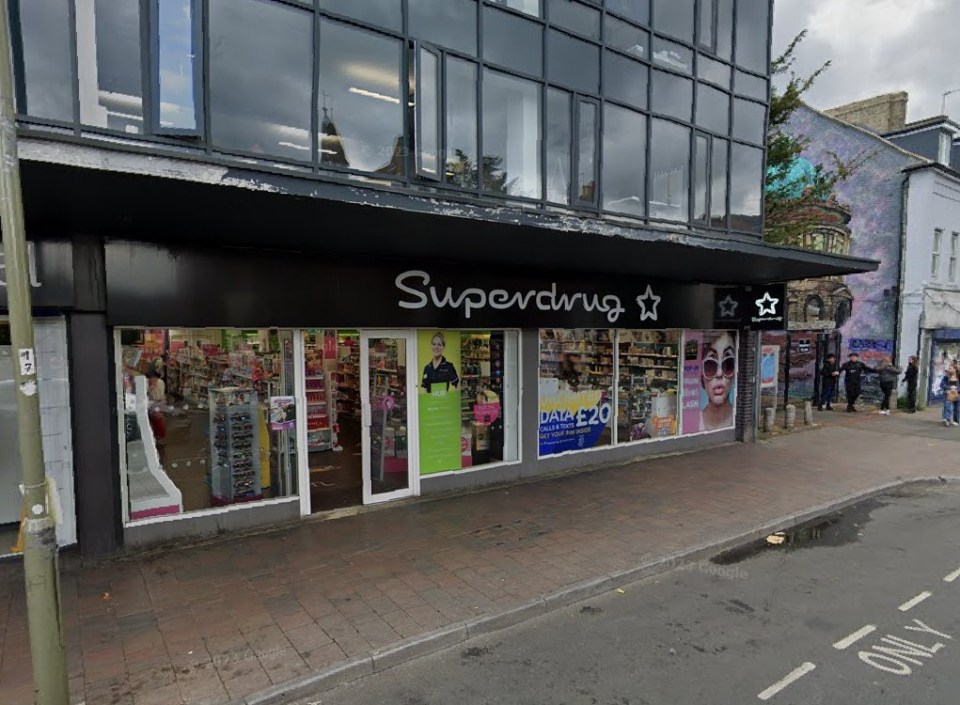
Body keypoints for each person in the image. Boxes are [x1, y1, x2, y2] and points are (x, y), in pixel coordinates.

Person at [700, 332, 736, 431]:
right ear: (701, 375)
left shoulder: (738, 418)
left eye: (728, 364)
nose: (719, 374)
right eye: (710, 365)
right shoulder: (694, 423)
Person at [145, 369, 167, 445]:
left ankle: (161, 438)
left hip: (158, 403)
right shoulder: (153, 382)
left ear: (153, 377)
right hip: (155, 403)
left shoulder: (159, 382)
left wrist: (151, 388)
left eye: (150, 378)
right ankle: (157, 437)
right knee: (155, 421)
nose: (149, 379)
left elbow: (158, 396)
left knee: (158, 421)